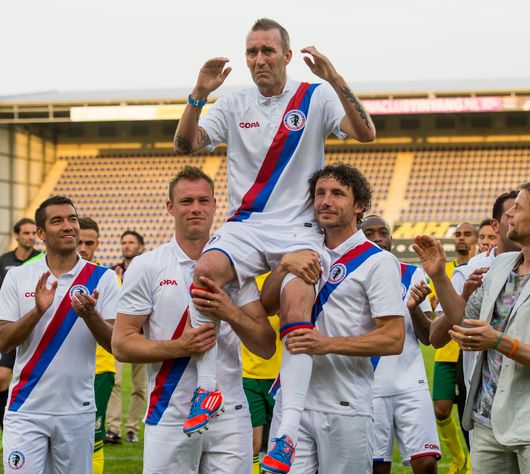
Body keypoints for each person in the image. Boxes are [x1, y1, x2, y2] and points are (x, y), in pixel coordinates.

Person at [173, 17, 376, 455]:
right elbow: (184, 146)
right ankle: (206, 389)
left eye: (267, 51)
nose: (259, 59)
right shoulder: (232, 104)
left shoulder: (315, 96)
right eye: (252, 52)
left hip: (299, 229)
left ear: (286, 55)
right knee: (205, 271)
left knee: (296, 306)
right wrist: (199, 94)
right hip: (246, 225)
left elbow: (366, 134)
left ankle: (286, 429)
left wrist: (336, 79)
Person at [416, 181, 530, 473]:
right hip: (487, 423)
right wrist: (439, 277)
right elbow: (463, 319)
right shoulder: (502, 265)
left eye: (518, 207)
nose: (508, 214)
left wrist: (499, 341)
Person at [111, 166, 276, 473]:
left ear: (215, 205)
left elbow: (266, 345)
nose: (196, 208)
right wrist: (181, 346)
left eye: (203, 200)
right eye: (186, 201)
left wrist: (228, 311)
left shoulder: (237, 268)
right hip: (169, 412)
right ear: (170, 207)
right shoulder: (147, 266)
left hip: (230, 414)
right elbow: (121, 344)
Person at [259, 163, 405, 474]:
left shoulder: (378, 262)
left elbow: (393, 338)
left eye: (338, 194)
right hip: (293, 407)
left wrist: (326, 343)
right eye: (320, 193)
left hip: (345, 406)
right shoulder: (303, 251)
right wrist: (284, 266)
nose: (326, 201)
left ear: (359, 205)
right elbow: (267, 305)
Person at [0, 196, 120, 473]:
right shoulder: (19, 276)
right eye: (57, 221)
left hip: (77, 410)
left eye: (73, 219)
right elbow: (4, 340)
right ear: (41, 233)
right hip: (26, 408)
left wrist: (91, 316)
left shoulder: (103, 278)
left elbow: (115, 344)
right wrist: (37, 312)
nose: (68, 226)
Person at [430, 191, 520, 473]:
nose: (519, 218)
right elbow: (436, 337)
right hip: (485, 406)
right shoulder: (472, 270)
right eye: (511, 214)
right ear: (496, 225)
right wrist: (461, 294)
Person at [361, 215, 440, 474]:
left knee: (426, 462)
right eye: (369, 233)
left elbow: (428, 337)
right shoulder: (354, 276)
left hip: (410, 383)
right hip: (368, 386)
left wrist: (414, 308)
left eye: (382, 232)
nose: (377, 238)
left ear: (391, 238)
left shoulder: (412, 274)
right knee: (376, 467)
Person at [429, 221, 478, 474]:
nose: (461, 238)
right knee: (440, 409)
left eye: (467, 234)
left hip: (470, 350)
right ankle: (458, 457)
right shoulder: (442, 271)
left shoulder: (480, 268)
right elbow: (431, 318)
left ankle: (472, 459)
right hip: (446, 352)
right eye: (457, 234)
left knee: (469, 411)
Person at [76, 216, 118, 474]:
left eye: (89, 243)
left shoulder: (107, 278)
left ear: (97, 244)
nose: (83, 248)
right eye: (79, 241)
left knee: (94, 435)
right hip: (66, 369)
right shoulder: (58, 276)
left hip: (100, 368)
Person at [105, 229, 147, 444]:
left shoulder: (149, 270)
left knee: (140, 386)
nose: (127, 246)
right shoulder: (113, 273)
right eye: (124, 242)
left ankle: (132, 428)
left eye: (131, 242)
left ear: (141, 246)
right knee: (116, 382)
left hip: (143, 337)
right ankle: (113, 429)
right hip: (120, 335)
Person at [0, 218, 41, 431]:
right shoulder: (4, 260)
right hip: (10, 327)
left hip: (33, 329)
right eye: (25, 233)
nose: (30, 237)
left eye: (33, 233)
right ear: (17, 236)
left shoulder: (42, 260)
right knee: (2, 377)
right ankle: (5, 425)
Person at [242, 272, 283, 474]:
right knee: (252, 442)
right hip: (249, 375)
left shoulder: (284, 280)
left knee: (279, 441)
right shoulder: (244, 279)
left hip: (280, 377)